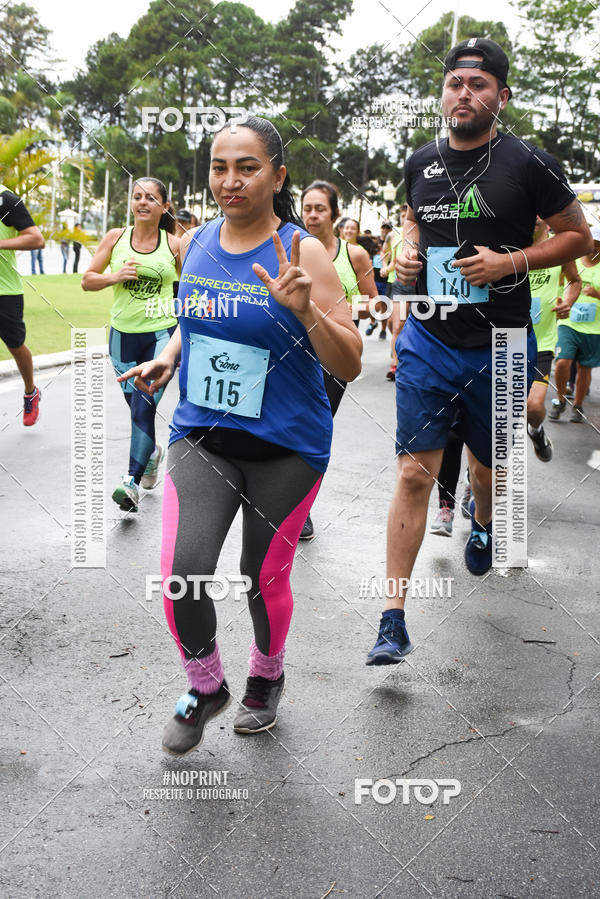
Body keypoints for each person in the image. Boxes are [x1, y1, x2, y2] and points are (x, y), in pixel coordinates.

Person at [118, 117, 362, 754]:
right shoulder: (195, 242)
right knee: (184, 573)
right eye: (220, 167)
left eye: (247, 167)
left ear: (277, 176)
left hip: (288, 446)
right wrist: (169, 356)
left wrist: (306, 310)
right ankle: (205, 686)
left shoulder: (303, 251)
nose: (231, 180)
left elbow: (351, 361)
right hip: (203, 433)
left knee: (261, 576)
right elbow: (197, 316)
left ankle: (266, 674)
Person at [367, 37, 592, 665]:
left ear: (502, 96)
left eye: (478, 84)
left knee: (488, 468)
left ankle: (486, 521)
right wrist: (407, 256)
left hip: (503, 342)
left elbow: (578, 236)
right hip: (430, 336)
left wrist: (509, 262)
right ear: (443, 93)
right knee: (414, 472)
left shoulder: (530, 163)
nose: (463, 93)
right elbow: (416, 222)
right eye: (454, 83)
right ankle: (392, 619)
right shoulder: (421, 160)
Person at [82, 178, 180, 511]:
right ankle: (151, 453)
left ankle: (130, 482)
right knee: (137, 408)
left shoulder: (174, 245)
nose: (142, 202)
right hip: (122, 337)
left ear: (164, 207)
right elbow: (88, 280)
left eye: (151, 198)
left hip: (160, 336)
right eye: (137, 197)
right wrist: (115, 276)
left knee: (143, 406)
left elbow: (191, 288)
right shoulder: (115, 237)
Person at [300, 180, 374, 538]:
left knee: (316, 428)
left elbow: (374, 304)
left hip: (332, 355)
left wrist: (334, 309)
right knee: (288, 425)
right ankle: (281, 499)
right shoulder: (290, 246)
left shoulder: (354, 255)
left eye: (320, 209)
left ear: (334, 213)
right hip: (292, 351)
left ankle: (302, 508)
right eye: (307, 208)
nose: (313, 215)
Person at [527, 217, 580, 447]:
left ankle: (535, 430)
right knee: (499, 413)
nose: (534, 217)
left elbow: (574, 281)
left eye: (539, 213)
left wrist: (567, 302)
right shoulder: (507, 245)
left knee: (533, 407)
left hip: (542, 342)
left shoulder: (560, 247)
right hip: (505, 339)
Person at [0, 184, 45, 424]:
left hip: (5, 291)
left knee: (15, 346)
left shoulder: (6, 200)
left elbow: (36, 239)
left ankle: (31, 391)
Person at [550, 224, 600, 423]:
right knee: (562, 362)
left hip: (594, 328)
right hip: (569, 323)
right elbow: (559, 283)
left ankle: (578, 406)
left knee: (584, 369)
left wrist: (596, 294)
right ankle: (560, 400)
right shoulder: (573, 261)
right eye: (593, 243)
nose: (595, 248)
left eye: (599, 245)